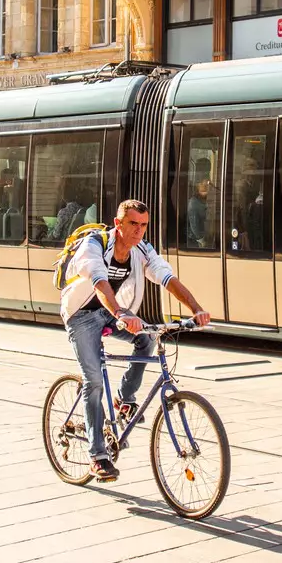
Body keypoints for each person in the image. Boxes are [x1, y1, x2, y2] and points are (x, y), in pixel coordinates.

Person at [59, 198, 210, 481]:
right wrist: (120, 312)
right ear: (118, 223)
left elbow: (167, 277)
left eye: (143, 226)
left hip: (112, 312)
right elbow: (98, 281)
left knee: (147, 339)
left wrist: (196, 309)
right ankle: (98, 456)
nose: (138, 231)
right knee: (92, 382)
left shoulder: (142, 249)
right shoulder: (94, 245)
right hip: (82, 314)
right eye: (132, 224)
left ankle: (124, 399)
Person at [183, 159, 213, 248]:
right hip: (194, 241)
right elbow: (194, 226)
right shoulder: (193, 204)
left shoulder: (205, 178)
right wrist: (202, 241)